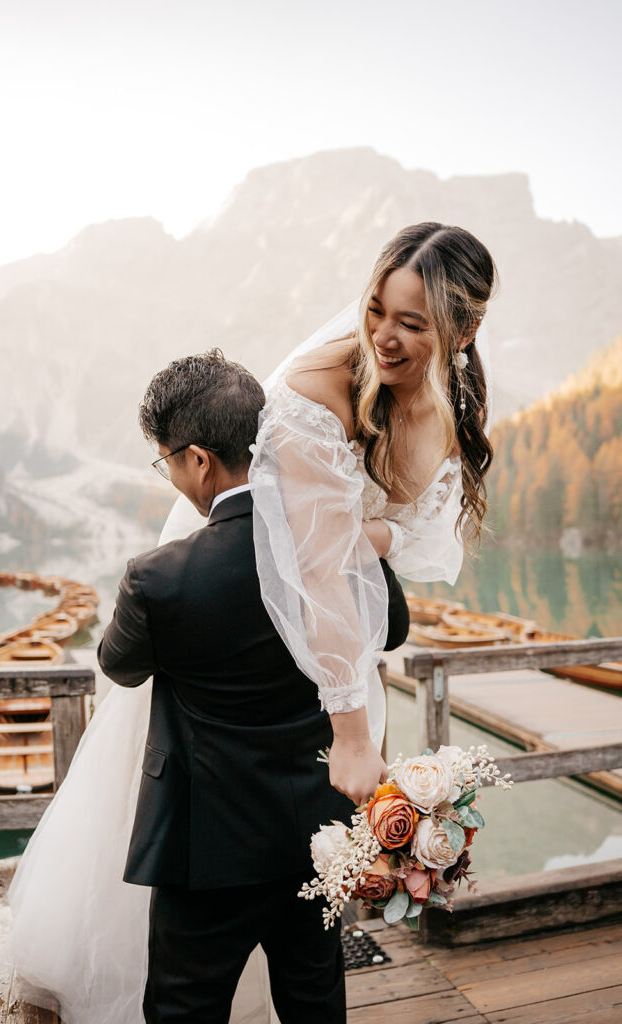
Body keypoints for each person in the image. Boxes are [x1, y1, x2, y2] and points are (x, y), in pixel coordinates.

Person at [8, 221, 496, 1022]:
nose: (383, 334)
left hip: (310, 650)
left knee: (267, 937)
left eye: (412, 323)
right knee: (282, 909)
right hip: (281, 624)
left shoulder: (445, 392)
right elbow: (316, 568)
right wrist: (351, 728)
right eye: (377, 309)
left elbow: (370, 553)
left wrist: (362, 537)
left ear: (463, 330)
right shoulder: (313, 389)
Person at [96, 350, 410, 1022]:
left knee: (186, 1007)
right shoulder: (331, 542)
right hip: (317, 838)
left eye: (168, 461)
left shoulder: (158, 579)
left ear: (199, 460)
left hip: (204, 849)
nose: (174, 476)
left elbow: (118, 665)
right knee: (314, 1002)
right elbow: (394, 627)